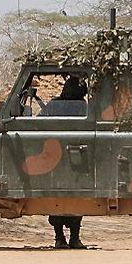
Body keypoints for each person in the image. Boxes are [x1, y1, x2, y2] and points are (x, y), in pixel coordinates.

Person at [46, 75, 88, 249]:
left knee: (58, 197)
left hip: (60, 159)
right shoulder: (83, 107)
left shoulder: (55, 105)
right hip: (74, 158)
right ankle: (70, 238)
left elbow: (39, 123)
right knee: (75, 197)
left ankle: (61, 238)